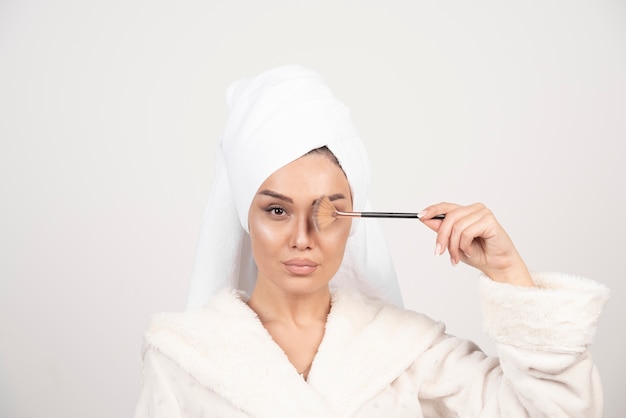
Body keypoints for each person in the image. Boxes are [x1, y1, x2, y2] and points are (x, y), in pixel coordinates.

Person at [134, 65, 609, 417]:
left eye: (329, 211)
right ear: (244, 215)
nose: (303, 238)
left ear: (353, 219)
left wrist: (508, 272)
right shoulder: (184, 354)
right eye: (277, 210)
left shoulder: (404, 350)